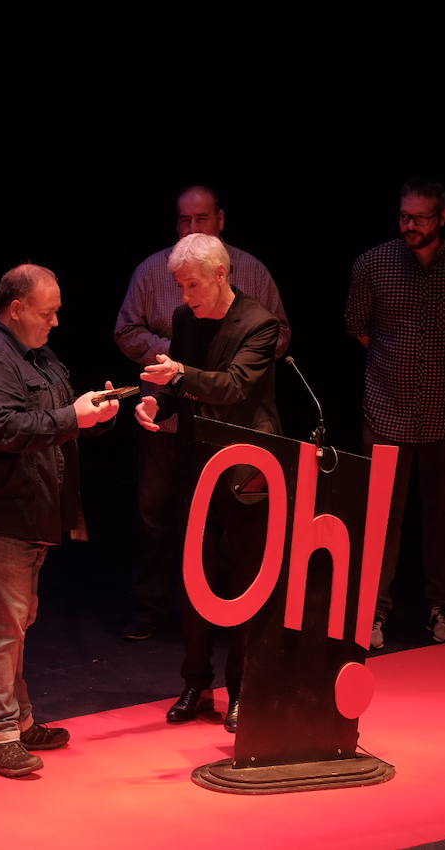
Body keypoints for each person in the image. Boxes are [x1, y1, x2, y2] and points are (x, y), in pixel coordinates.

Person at [0, 263, 120, 778]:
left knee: (15, 624)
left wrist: (94, 414)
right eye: (48, 312)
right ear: (16, 309)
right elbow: (1, 430)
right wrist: (73, 419)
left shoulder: (29, 353)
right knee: (1, 627)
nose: (56, 321)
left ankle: (17, 721)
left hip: (24, 511)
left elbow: (53, 414)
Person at [113, 184, 290, 641]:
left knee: (237, 536)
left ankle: (241, 634)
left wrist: (188, 371)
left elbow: (238, 378)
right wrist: (161, 389)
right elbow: (128, 332)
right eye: (184, 220)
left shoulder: (252, 288)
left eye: (202, 219)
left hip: (238, 433)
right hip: (185, 425)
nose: (191, 227)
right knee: (163, 517)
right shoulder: (174, 301)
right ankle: (164, 621)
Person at [134, 233, 281, 733]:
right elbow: (181, 388)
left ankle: (242, 691)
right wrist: (158, 403)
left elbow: (234, 387)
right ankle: (195, 684)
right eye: (180, 286)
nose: (185, 296)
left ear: (221, 275)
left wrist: (176, 379)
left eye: (192, 285)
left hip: (246, 472)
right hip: (196, 465)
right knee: (193, 576)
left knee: (244, 583)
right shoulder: (184, 319)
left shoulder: (259, 324)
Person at [344, 176, 445, 649]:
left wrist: (437, 370)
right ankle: (373, 610)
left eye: (421, 218)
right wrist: (401, 363)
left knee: (442, 512)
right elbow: (357, 325)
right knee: (381, 516)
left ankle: (440, 604)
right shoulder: (373, 264)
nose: (410, 225)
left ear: (443, 217)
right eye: (404, 216)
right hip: (386, 410)